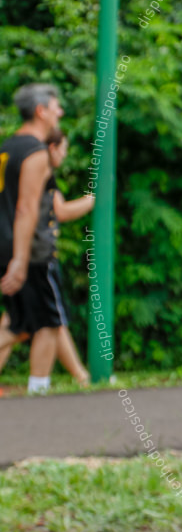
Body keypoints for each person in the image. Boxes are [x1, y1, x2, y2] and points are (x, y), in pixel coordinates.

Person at [0, 128, 94, 388]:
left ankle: (79, 377)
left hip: (19, 253)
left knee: (36, 321)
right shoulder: (38, 168)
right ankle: (41, 387)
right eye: (63, 149)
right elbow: (59, 210)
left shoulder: (21, 166)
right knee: (36, 324)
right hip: (34, 256)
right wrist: (89, 202)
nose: (64, 155)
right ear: (51, 148)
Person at [0, 84, 68, 395]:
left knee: (19, 324)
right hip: (27, 248)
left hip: (4, 240)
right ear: (41, 111)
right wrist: (21, 259)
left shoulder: (7, 147)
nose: (60, 112)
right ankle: (38, 394)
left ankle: (39, 391)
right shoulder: (35, 151)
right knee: (48, 322)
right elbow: (26, 207)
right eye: (56, 106)